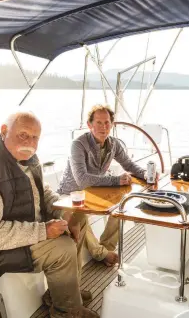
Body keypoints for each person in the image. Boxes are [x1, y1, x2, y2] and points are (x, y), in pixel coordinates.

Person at [0, 111, 99, 318]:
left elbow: (43, 191)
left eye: (35, 137)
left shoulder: (28, 157)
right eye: (23, 135)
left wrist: (62, 212)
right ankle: (66, 311)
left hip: (26, 231)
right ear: (4, 131)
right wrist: (43, 230)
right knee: (63, 247)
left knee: (78, 219)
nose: (30, 142)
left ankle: (65, 291)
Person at [58, 104, 153, 266]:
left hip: (94, 191)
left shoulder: (113, 144)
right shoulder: (78, 145)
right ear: (90, 125)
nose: (104, 127)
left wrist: (146, 174)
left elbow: (129, 165)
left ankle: (107, 247)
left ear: (112, 124)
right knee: (77, 217)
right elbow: (82, 180)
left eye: (107, 122)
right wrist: (116, 180)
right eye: (99, 122)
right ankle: (100, 254)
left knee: (123, 204)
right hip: (70, 194)